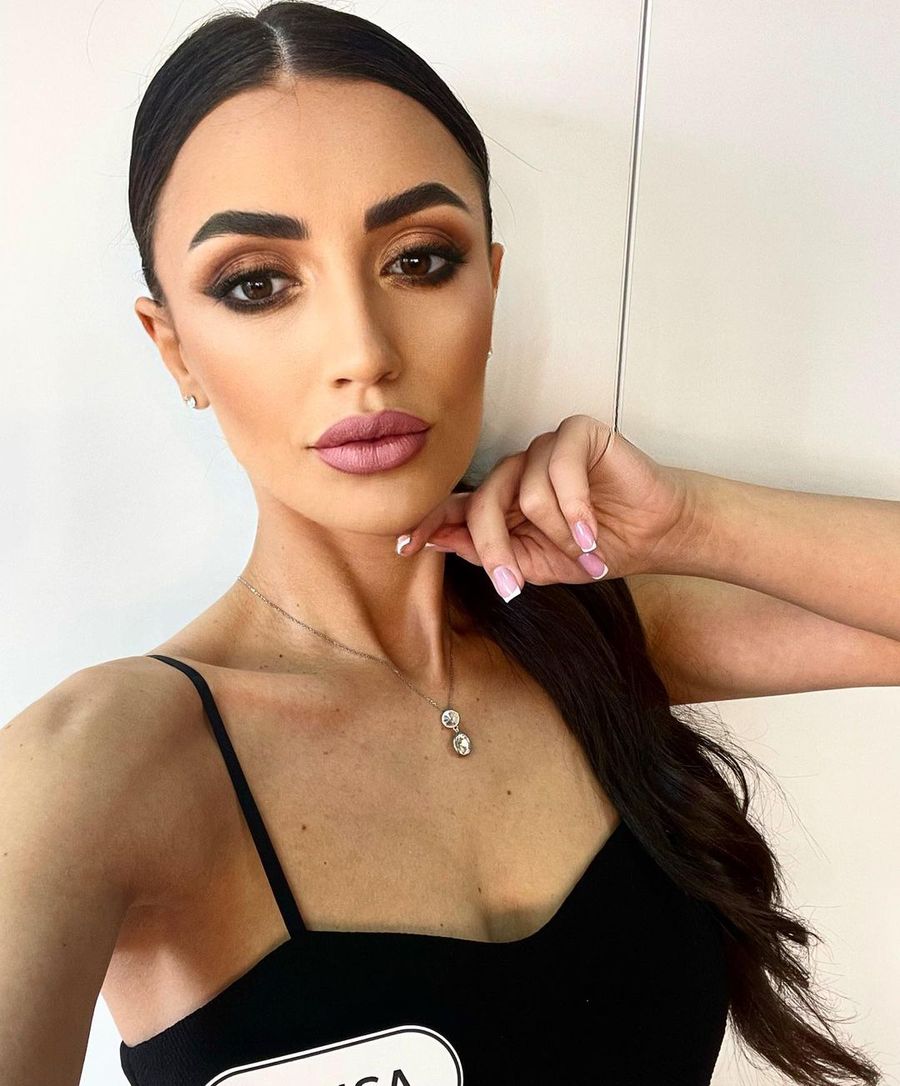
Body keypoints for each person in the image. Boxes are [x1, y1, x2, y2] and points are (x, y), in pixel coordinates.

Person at [1, 3, 890, 1084]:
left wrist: (690, 521)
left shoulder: (593, 632)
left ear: (491, 286)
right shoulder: (98, 765)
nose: (363, 351)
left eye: (419, 260)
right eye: (257, 283)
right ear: (175, 349)